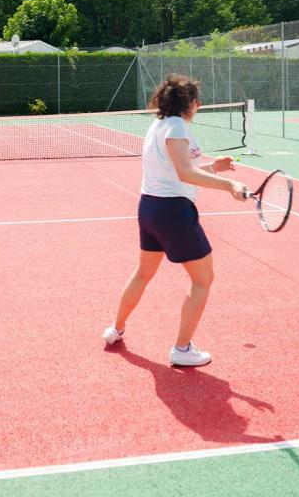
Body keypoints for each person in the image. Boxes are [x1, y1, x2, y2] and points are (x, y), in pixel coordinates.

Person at [103, 75, 247, 367]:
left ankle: (115, 329)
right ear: (191, 104)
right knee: (203, 279)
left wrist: (214, 168)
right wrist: (230, 186)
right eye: (197, 103)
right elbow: (184, 173)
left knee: (143, 273)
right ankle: (182, 350)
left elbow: (178, 169)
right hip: (173, 212)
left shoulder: (158, 126)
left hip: (149, 209)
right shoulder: (178, 126)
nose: (198, 107)